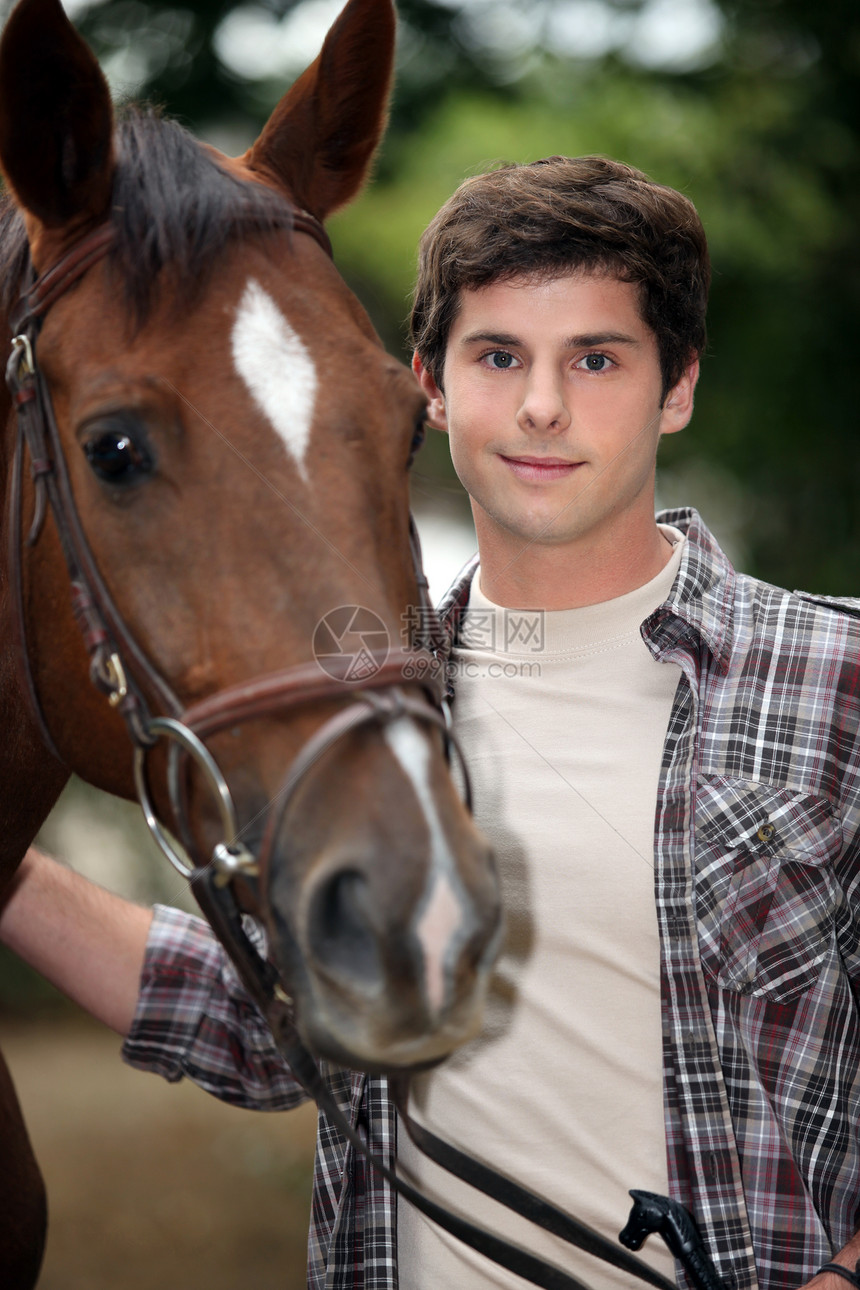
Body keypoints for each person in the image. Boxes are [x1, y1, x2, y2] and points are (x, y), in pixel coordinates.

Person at [4, 154, 860, 1290]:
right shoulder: (363, 702)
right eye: (497, 356)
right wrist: (12, 872)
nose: (541, 406)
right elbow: (265, 1019)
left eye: (594, 359)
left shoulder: (835, 675)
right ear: (430, 387)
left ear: (676, 387)